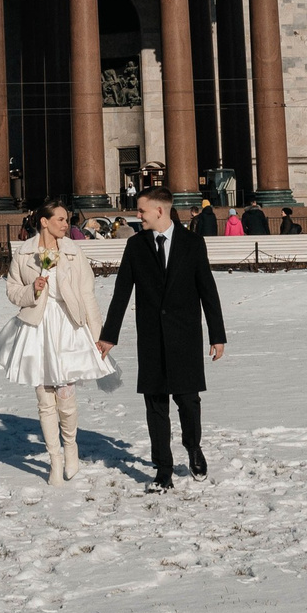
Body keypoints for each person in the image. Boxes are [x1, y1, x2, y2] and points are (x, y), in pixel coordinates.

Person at [97, 180, 227, 491]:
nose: (137, 215)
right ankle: (163, 468)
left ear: (159, 210)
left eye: (141, 211)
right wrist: (109, 335)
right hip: (152, 337)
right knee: (155, 403)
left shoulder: (193, 244)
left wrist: (217, 335)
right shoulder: (135, 245)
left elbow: (208, 291)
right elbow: (121, 293)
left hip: (185, 336)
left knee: (187, 399)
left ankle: (193, 448)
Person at [0, 197, 111, 486]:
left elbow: (87, 294)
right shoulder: (24, 253)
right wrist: (32, 289)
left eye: (66, 219)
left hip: (68, 324)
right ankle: (54, 459)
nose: (65, 224)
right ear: (44, 222)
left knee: (65, 392)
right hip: (37, 325)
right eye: (60, 219)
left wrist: (99, 335)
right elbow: (12, 291)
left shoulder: (73, 252)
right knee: (44, 397)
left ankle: (71, 447)